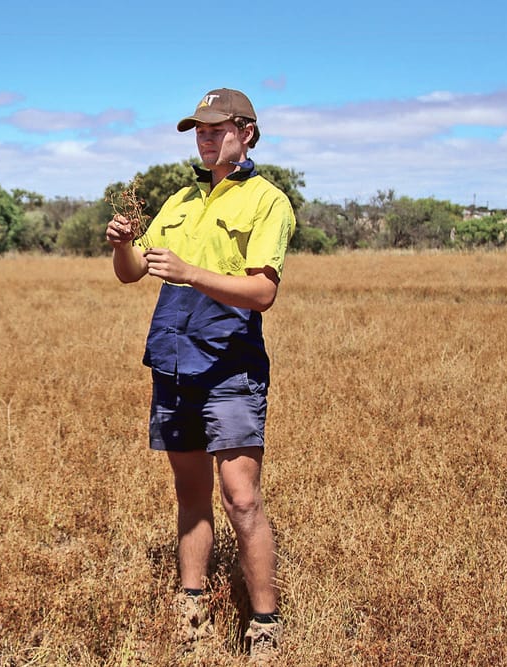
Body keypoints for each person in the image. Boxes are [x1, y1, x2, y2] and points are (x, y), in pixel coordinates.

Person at [106, 88, 295, 657]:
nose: (205, 137)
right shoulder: (181, 198)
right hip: (173, 360)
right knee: (191, 495)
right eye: (199, 130)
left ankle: (263, 624)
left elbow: (262, 291)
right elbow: (133, 271)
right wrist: (121, 246)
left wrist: (191, 272)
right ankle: (191, 613)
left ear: (248, 133)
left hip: (229, 363)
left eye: (217, 129)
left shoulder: (268, 202)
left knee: (242, 498)